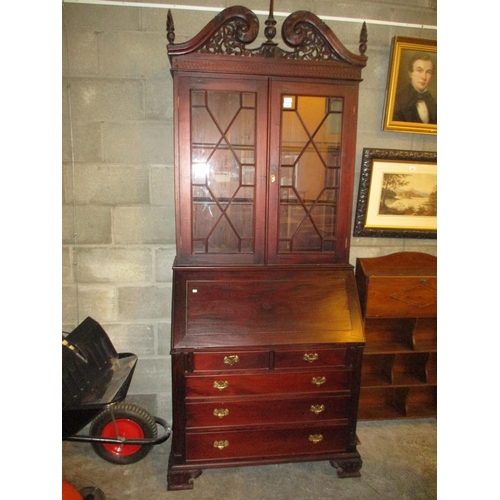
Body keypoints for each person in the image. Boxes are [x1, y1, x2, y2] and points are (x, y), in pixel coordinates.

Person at [393, 53, 437, 124]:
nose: (424, 77)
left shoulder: (434, 103)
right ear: (410, 73)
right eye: (419, 71)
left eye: (428, 72)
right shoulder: (398, 101)